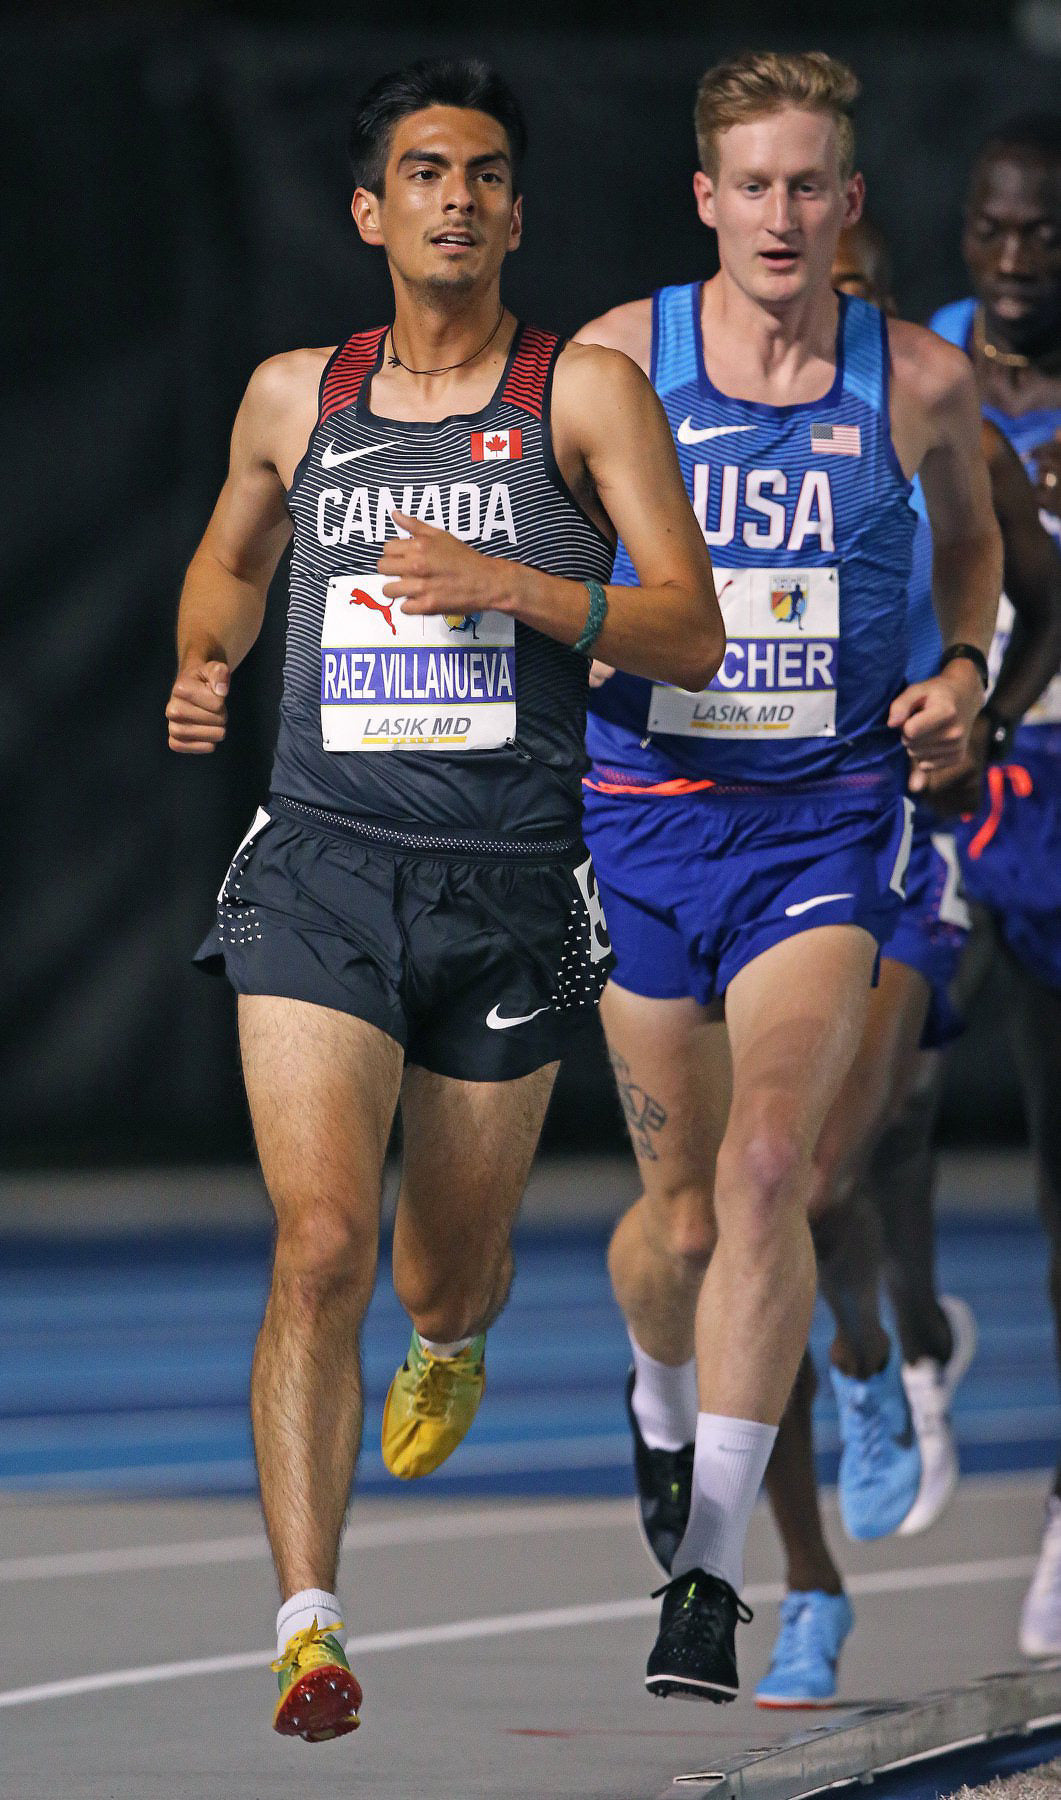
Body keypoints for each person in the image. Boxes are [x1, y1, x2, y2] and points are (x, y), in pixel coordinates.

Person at [166, 57, 722, 1746]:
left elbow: (688, 631)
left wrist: (510, 583)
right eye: (424, 172)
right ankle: (308, 1626)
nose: (456, 197)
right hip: (319, 865)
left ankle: (455, 1338)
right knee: (320, 1241)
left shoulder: (583, 394)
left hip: (509, 888)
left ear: (516, 213)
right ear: (371, 210)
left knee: (439, 1278)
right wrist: (205, 660)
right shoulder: (296, 395)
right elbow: (232, 561)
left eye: (483, 173)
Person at [576, 49, 1001, 1703]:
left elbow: (972, 545)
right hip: (643, 822)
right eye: (749, 184)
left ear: (847, 201)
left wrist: (957, 668)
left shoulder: (915, 382)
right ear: (706, 198)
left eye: (805, 184)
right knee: (678, 1229)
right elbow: (537, 539)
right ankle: (655, 1397)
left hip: (820, 824)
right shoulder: (618, 361)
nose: (778, 213)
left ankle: (707, 1577)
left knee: (770, 1169)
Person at [750, 217, 1061, 1710]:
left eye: (853, 296)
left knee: (821, 1175)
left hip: (907, 844)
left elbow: (1041, 596)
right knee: (739, 1211)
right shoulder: (694, 432)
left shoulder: (940, 418)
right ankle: (898, 1356)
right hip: (741, 844)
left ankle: (874, 1368)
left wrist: (979, 707)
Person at [866, 114, 1061, 1661]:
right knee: (883, 1109)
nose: (1010, 259)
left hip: (1056, 791)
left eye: (1040, 233)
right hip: (939, 781)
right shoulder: (923, 367)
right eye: (990, 229)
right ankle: (920, 1340)